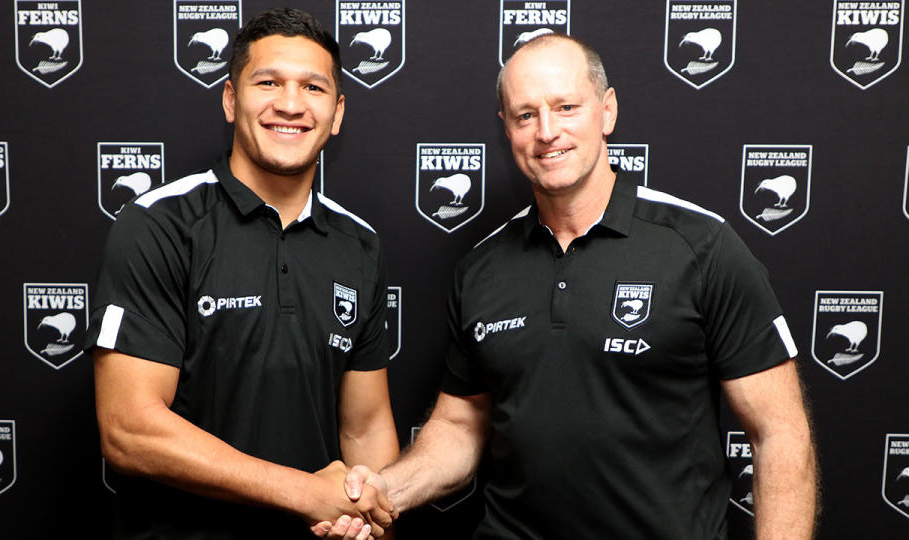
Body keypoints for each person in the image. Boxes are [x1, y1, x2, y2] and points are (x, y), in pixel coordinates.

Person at [315, 34, 817, 540]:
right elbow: (460, 426)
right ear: (507, 129)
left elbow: (779, 433)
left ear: (607, 111)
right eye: (525, 115)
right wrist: (379, 492)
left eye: (566, 107)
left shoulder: (701, 246)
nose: (547, 132)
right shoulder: (482, 267)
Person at [86, 8, 398, 539]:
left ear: (337, 112)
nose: (291, 104)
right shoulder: (160, 224)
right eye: (268, 82)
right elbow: (129, 429)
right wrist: (305, 493)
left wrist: (372, 521)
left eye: (313, 88)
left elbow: (365, 427)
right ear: (232, 100)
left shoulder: (358, 245)